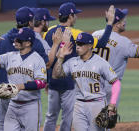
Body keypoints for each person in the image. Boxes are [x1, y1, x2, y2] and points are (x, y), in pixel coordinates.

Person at [43, 3, 115, 131]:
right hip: (70, 83)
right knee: (67, 117)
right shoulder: (76, 33)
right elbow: (102, 42)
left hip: (53, 80)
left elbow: (48, 57)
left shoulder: (48, 32)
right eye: (75, 14)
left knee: (51, 116)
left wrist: (47, 79)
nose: (76, 17)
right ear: (70, 16)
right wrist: (109, 23)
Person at [0, 6, 49, 131]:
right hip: (21, 97)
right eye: (33, 19)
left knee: (1, 123)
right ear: (29, 22)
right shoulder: (36, 41)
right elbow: (46, 65)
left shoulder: (3, 39)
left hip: (7, 91)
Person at [52, 32, 121, 131]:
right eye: (77, 44)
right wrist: (60, 57)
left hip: (97, 104)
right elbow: (55, 75)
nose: (78, 47)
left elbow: (116, 82)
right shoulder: (72, 62)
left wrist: (112, 103)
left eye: (81, 44)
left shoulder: (101, 63)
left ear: (90, 46)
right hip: (78, 105)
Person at [92, 8, 139, 105]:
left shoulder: (95, 34)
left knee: (91, 115)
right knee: (109, 117)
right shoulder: (123, 42)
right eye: (123, 20)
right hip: (110, 86)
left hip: (92, 83)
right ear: (117, 24)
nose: (125, 22)